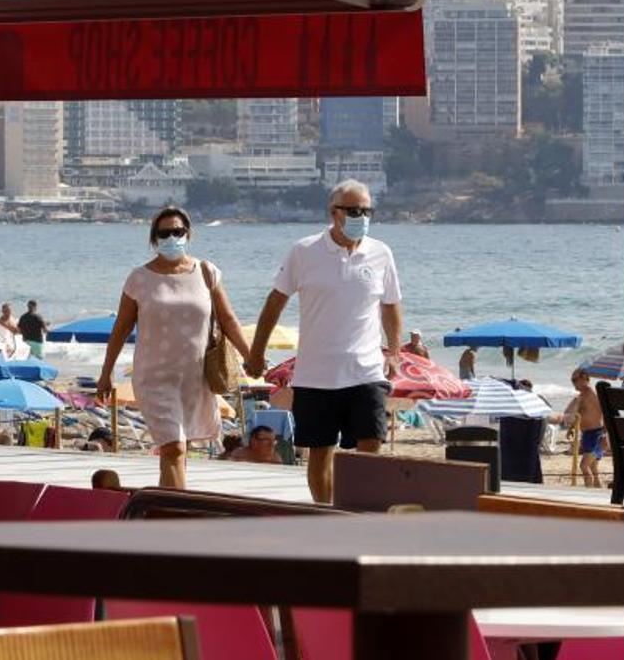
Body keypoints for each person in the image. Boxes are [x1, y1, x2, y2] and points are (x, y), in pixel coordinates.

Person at [244, 179, 404, 504]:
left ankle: (360, 510)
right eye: (355, 210)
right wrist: (257, 352)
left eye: (368, 210)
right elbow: (274, 303)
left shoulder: (381, 253)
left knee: (371, 445)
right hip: (316, 375)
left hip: (366, 371)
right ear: (335, 212)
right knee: (320, 452)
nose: (363, 217)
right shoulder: (304, 251)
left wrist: (396, 353)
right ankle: (326, 512)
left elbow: (391, 307)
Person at [95, 207, 252, 489]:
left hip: (194, 378)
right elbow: (121, 329)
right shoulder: (139, 279)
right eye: (164, 233)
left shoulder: (207, 273)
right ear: (154, 238)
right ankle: (179, 516)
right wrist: (106, 373)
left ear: (188, 234)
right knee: (174, 448)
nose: (172, 237)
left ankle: (163, 511)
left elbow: (228, 320)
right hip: (154, 378)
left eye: (177, 232)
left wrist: (252, 356)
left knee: (177, 451)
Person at [555, 368, 606, 487]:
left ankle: (588, 494)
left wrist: (605, 433)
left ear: (584, 379)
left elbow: (569, 415)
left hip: (596, 435)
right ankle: (598, 494)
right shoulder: (587, 395)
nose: (573, 383)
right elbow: (580, 414)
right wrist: (571, 428)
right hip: (590, 434)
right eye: (572, 380)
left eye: (575, 379)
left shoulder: (587, 395)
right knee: (593, 468)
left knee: (584, 466)